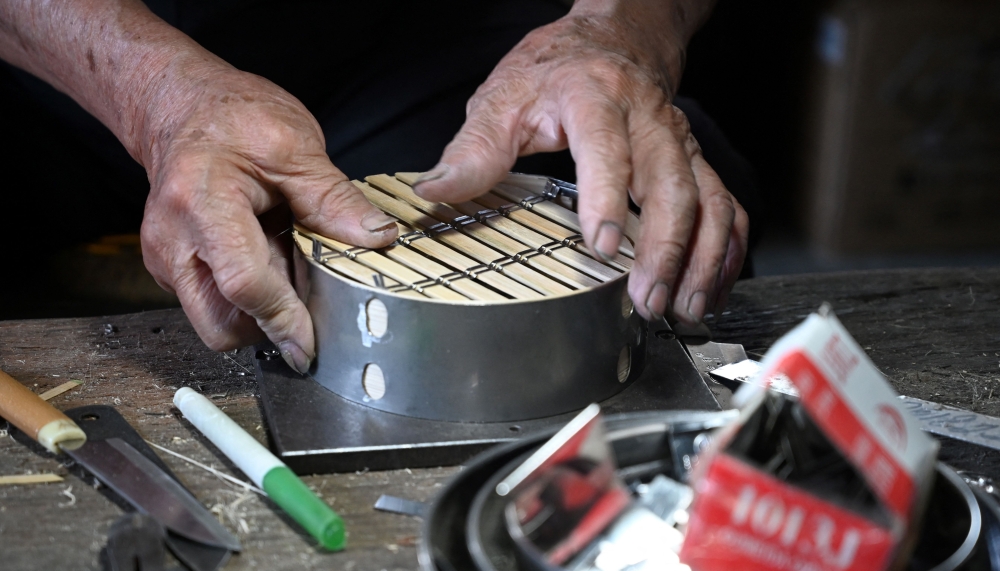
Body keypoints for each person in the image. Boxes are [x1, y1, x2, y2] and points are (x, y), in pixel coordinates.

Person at [0, 0, 751, 374]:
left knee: (654, 190)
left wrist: (625, 32)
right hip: (68, 51)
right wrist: (156, 99)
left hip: (414, 38)